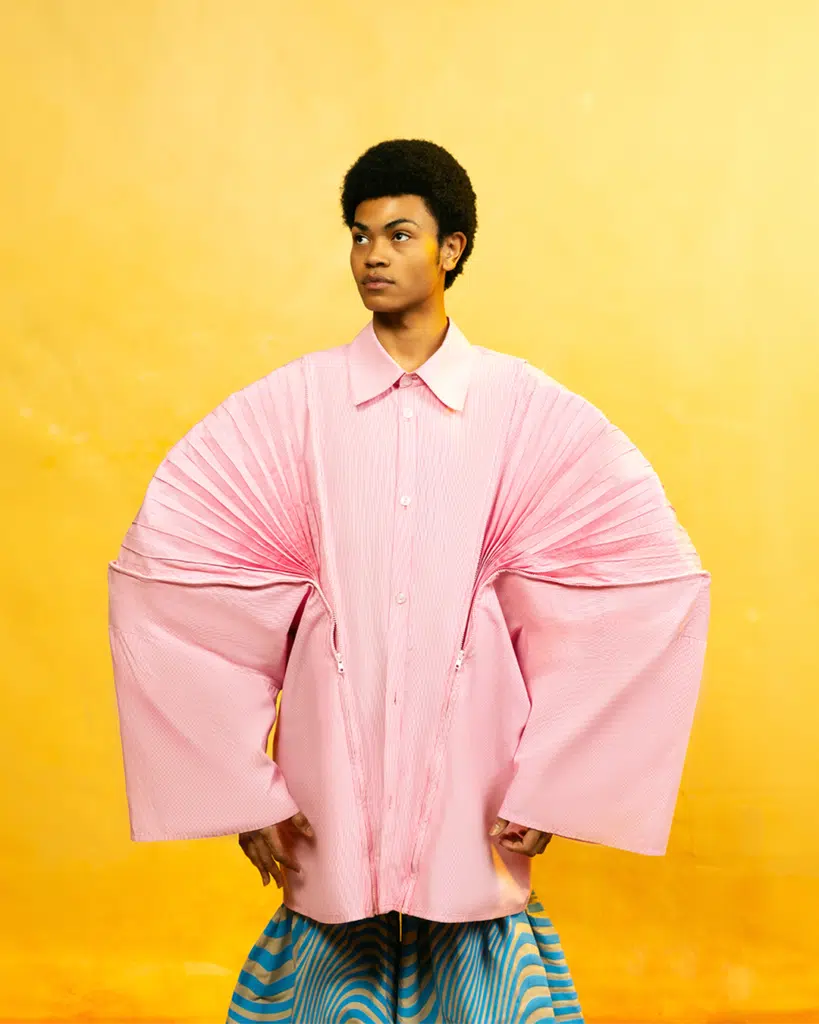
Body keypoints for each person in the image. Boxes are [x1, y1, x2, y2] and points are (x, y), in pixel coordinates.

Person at [107, 139, 710, 1023]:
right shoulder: (294, 408)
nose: (373, 256)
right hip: (328, 783)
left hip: (476, 779)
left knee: (478, 957)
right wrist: (243, 787)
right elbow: (183, 587)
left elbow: (628, 587)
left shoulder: (520, 409)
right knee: (327, 944)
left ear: (452, 248)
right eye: (359, 236)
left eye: (398, 234)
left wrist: (556, 781)